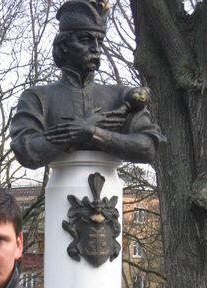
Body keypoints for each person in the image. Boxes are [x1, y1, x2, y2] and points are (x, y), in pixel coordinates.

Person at [10, 0, 165, 170]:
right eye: (85, 39)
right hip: (62, 183)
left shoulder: (121, 96)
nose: (96, 48)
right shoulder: (38, 97)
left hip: (110, 184)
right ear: (64, 45)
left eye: (99, 41)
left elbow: (148, 147)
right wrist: (74, 132)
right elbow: (26, 151)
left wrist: (92, 132)